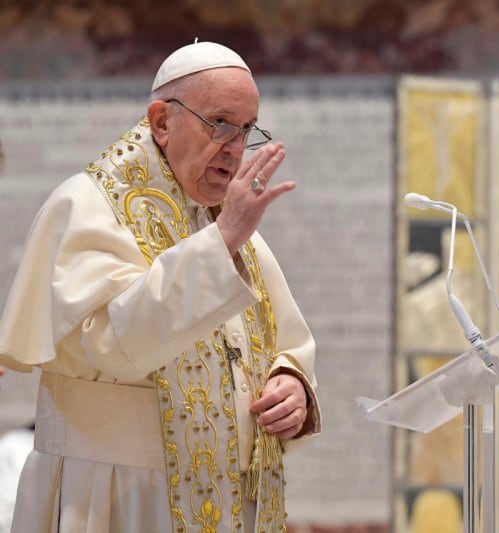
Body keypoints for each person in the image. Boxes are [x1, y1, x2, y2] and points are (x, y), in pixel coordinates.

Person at [0, 41, 320, 533]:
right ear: (161, 121)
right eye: (220, 123)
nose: (236, 146)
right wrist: (222, 243)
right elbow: (112, 342)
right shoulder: (88, 206)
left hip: (228, 495)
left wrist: (291, 384)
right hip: (115, 494)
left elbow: (283, 340)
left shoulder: (218, 219)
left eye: (247, 128)